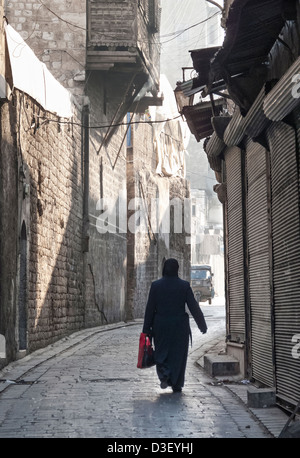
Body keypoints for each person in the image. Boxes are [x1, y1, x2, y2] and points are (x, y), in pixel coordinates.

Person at [142, 258, 207, 393]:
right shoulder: (184, 286)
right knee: (178, 355)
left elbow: (150, 308)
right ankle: (176, 383)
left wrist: (146, 329)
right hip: (179, 326)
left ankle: (165, 375)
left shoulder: (156, 286)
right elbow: (193, 306)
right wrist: (202, 325)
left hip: (160, 326)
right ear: (177, 269)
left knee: (161, 352)